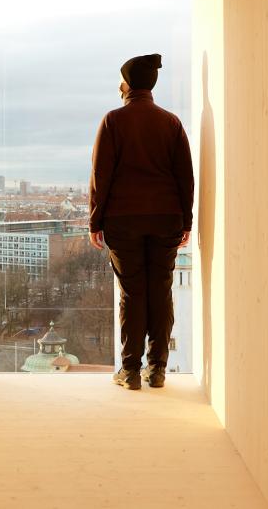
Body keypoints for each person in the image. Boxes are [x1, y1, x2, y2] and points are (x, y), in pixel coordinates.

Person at [88, 53, 194, 390]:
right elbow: (185, 178)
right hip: (166, 218)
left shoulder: (113, 121)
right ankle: (157, 369)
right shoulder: (172, 123)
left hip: (123, 220)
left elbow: (100, 177)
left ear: (127, 85)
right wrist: (186, 221)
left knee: (132, 293)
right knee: (160, 291)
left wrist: (95, 222)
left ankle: (130, 371)